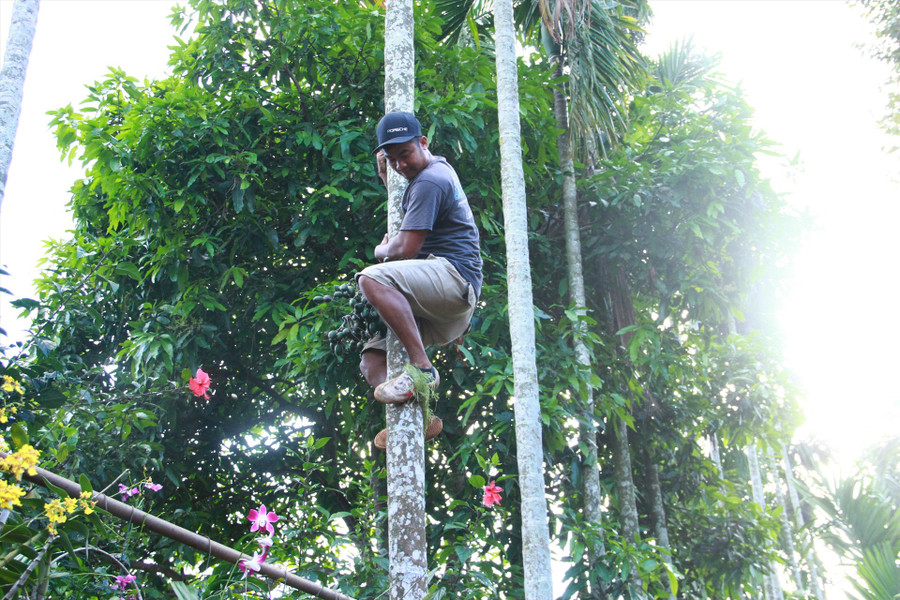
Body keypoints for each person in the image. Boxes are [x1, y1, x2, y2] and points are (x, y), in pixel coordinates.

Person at [356, 111, 482, 449]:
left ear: (423, 143)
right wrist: (387, 173)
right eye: (391, 159)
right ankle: (420, 412)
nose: (400, 165)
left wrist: (381, 248)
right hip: (436, 298)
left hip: (455, 280)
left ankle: (423, 370)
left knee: (371, 279)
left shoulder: (430, 180)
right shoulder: (430, 173)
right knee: (373, 363)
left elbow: (406, 248)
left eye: (405, 155)